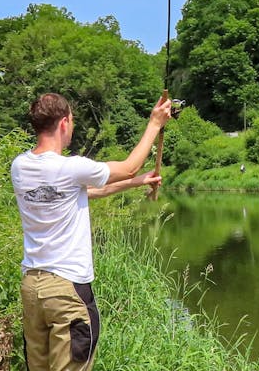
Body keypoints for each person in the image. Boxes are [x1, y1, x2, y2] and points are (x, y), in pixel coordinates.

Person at [12, 92, 172, 371]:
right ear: (64, 123)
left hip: (33, 288)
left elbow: (86, 191)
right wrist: (155, 124)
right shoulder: (70, 167)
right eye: (72, 121)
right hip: (66, 289)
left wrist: (137, 182)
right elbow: (128, 166)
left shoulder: (20, 167)